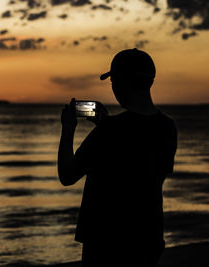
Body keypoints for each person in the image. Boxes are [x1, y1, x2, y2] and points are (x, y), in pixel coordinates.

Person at [58, 48, 177, 267]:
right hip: (148, 239)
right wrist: (105, 125)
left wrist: (68, 128)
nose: (113, 88)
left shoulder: (110, 131)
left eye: (113, 81)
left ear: (122, 82)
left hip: (106, 244)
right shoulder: (167, 127)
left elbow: (67, 175)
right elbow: (145, 173)